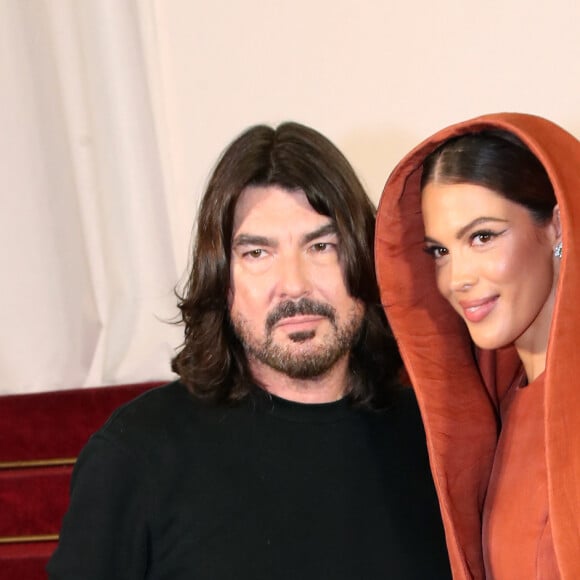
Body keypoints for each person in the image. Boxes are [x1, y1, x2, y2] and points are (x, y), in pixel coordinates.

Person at [47, 121, 451, 579]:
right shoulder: (136, 455)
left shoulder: (435, 441)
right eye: (257, 254)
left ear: (363, 257)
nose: (294, 284)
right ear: (220, 279)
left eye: (321, 246)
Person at [375, 112, 580, 579]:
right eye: (440, 252)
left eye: (482, 236)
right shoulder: (502, 408)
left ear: (557, 227)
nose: (457, 279)